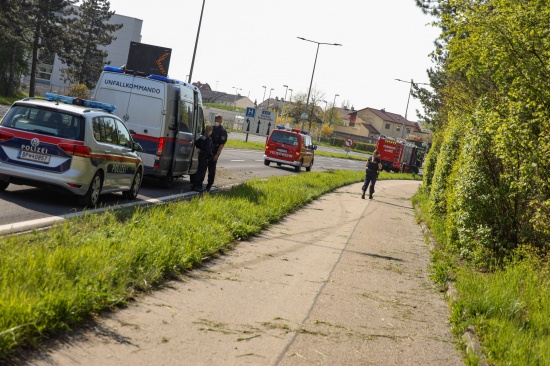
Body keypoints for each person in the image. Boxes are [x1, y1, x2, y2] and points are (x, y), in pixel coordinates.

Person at [206, 114, 228, 192]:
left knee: (211, 170)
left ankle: (209, 185)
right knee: (202, 167)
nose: (217, 122)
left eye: (218, 121)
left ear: (221, 121)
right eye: (216, 121)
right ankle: (198, 184)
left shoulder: (223, 131)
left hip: (215, 151)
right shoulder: (212, 128)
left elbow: (222, 144)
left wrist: (217, 154)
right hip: (207, 150)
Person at [191, 125, 213, 192]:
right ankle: (196, 186)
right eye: (211, 130)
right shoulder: (208, 138)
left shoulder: (203, 136)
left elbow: (196, 143)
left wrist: (200, 148)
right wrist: (210, 155)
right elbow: (208, 149)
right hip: (204, 156)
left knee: (200, 170)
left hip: (201, 155)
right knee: (201, 171)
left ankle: (197, 185)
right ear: (209, 130)